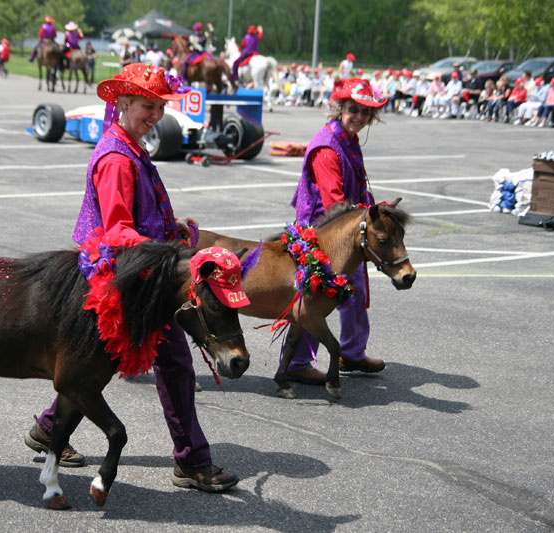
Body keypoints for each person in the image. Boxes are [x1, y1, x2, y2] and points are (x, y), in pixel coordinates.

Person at [24, 63, 241, 493]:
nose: (156, 115)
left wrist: (170, 228)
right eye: (148, 106)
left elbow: (136, 219)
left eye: (160, 107)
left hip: (141, 271)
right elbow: (118, 231)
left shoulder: (131, 146)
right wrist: (168, 253)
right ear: (121, 103)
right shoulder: (117, 158)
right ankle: (193, 463)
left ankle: (51, 428)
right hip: (125, 279)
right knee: (172, 364)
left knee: (93, 366)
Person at [287, 78, 388, 386]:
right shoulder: (328, 147)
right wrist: (367, 219)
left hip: (345, 227)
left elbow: (353, 194)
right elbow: (335, 204)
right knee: (317, 297)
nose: (359, 117)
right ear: (339, 109)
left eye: (365, 112)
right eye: (353, 110)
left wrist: (377, 209)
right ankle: (297, 362)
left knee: (355, 289)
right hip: (322, 233)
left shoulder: (348, 140)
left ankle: (353, 352)